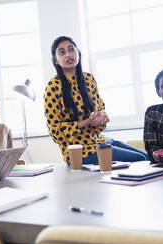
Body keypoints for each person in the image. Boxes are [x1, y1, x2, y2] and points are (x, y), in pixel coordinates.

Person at [44, 36, 148, 165]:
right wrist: (86, 122)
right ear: (55, 61)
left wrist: (101, 117)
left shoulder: (88, 79)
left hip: (99, 140)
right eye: (62, 52)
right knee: (140, 160)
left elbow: (99, 108)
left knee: (147, 156)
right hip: (79, 151)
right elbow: (55, 132)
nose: (68, 54)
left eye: (71, 50)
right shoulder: (53, 87)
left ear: (78, 54)